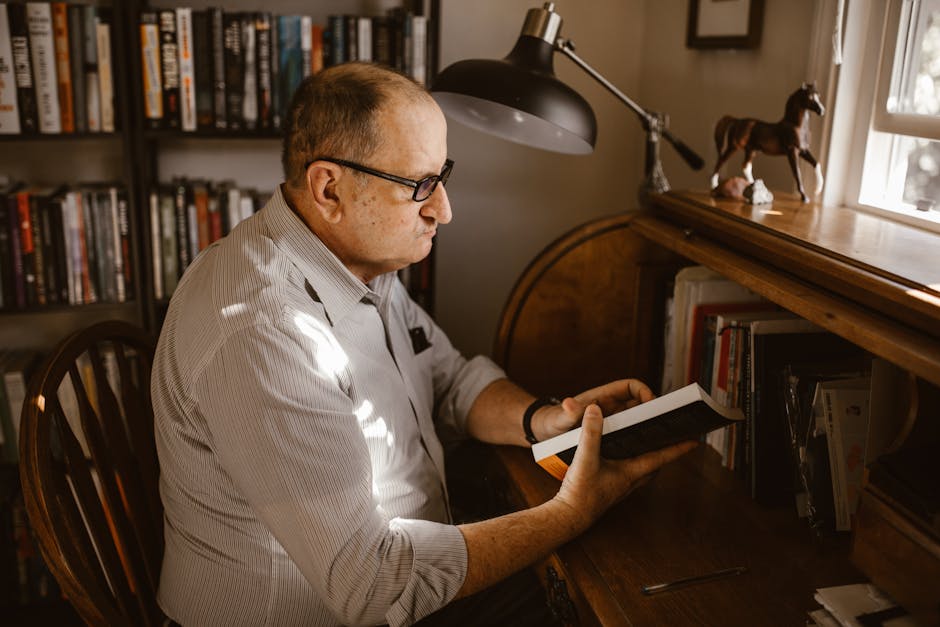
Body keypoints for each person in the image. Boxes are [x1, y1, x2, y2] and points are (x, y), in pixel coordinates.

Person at [151, 62, 695, 626]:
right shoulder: (263, 333)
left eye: (443, 175)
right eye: (419, 186)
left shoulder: (360, 263)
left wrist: (543, 419)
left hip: (401, 575)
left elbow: (448, 379)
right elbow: (373, 587)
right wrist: (572, 511)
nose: (444, 209)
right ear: (329, 187)